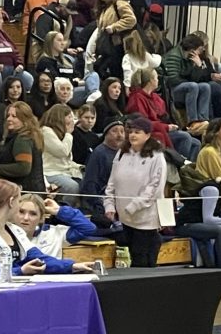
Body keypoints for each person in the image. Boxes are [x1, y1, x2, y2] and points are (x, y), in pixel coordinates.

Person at [0, 180, 92, 277]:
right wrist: (20, 271)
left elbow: (39, 259)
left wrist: (72, 266)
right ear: (11, 202)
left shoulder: (15, 230)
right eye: (18, 201)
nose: (25, 217)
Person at [103, 116, 167, 267]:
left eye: (137, 132)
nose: (132, 135)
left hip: (145, 219)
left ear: (148, 135)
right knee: (131, 259)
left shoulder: (157, 156)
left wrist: (134, 206)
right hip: (125, 218)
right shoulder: (122, 153)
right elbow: (112, 181)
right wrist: (109, 204)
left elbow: (154, 188)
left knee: (142, 261)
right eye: (130, 132)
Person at [126, 67, 200, 162]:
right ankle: (178, 164)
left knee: (196, 143)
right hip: (152, 132)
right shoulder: (137, 98)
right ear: (150, 81)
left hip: (163, 128)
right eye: (156, 78)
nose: (158, 80)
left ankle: (187, 167)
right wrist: (166, 127)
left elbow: (164, 116)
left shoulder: (155, 97)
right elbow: (143, 123)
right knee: (185, 137)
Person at [16, 193, 96, 258]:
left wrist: (59, 210)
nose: (26, 218)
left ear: (41, 218)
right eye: (21, 212)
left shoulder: (55, 233)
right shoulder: (8, 235)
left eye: (33, 214)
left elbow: (88, 228)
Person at [86, 0, 137, 79]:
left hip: (117, 46)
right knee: (100, 69)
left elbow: (131, 19)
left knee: (111, 72)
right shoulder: (104, 8)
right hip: (106, 47)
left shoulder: (119, 4)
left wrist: (114, 27)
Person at [0, 102, 45, 193]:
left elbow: (24, 167)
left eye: (14, 116)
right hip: (33, 190)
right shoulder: (30, 136)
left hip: (24, 193)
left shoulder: (22, 139)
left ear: (25, 119)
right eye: (8, 115)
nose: (9, 119)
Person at [162, 34, 212, 133]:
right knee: (192, 86)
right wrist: (190, 81)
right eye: (199, 49)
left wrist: (198, 66)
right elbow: (172, 79)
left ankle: (203, 119)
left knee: (205, 86)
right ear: (192, 50)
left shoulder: (190, 58)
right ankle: (192, 121)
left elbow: (196, 79)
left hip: (184, 87)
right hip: (172, 90)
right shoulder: (174, 56)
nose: (201, 52)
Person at [36, 30, 98, 106]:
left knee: (93, 75)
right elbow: (56, 81)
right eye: (59, 40)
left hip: (73, 88)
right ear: (50, 42)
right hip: (61, 93)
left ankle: (93, 95)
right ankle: (94, 97)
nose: (63, 43)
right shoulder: (45, 61)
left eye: (63, 40)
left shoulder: (66, 59)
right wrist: (75, 82)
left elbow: (77, 75)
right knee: (91, 92)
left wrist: (76, 80)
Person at [79, 118, 125, 220]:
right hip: (103, 198)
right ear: (106, 134)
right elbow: (90, 183)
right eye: (114, 131)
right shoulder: (99, 153)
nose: (119, 135)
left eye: (122, 131)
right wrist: (98, 204)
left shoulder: (125, 153)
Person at [40, 104, 82, 207]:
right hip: (50, 172)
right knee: (72, 187)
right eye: (69, 117)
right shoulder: (46, 131)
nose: (72, 120)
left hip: (63, 171)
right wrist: (68, 134)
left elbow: (67, 160)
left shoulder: (61, 133)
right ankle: (63, 210)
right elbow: (62, 152)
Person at [0, 76, 22, 144]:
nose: (15, 90)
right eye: (11, 87)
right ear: (6, 89)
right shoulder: (1, 107)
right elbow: (1, 131)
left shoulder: (25, 105)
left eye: (18, 87)